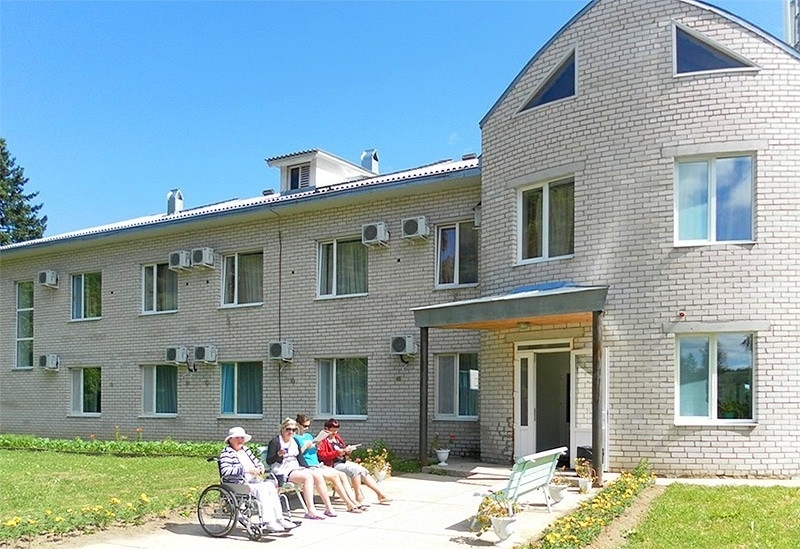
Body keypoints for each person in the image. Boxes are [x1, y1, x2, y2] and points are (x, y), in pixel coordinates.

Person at [218, 426, 298, 533]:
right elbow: (225, 471)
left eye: (242, 438)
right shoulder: (226, 453)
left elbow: (257, 462)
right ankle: (268, 522)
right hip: (238, 483)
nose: (240, 440)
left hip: (253, 480)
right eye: (237, 438)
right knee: (262, 490)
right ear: (230, 440)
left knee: (270, 486)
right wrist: (246, 470)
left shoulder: (245, 450)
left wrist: (260, 468)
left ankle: (279, 519)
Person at [266, 417, 338, 520]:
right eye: (288, 429)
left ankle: (328, 507)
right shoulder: (276, 441)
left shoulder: (294, 441)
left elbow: (300, 458)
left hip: (295, 467)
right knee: (307, 477)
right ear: (282, 429)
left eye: (293, 430)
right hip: (282, 469)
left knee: (317, 475)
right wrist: (278, 455)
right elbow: (269, 461)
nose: (291, 432)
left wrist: (308, 468)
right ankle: (311, 510)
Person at [293, 413, 365, 513]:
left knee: (342, 475)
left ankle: (354, 501)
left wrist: (317, 446)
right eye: (305, 426)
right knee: (334, 477)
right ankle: (349, 504)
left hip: (317, 464)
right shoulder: (295, 438)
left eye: (308, 426)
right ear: (298, 425)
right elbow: (295, 454)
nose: (307, 428)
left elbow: (315, 451)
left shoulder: (309, 436)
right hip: (308, 466)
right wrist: (305, 447)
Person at [316, 418, 391, 506]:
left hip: (342, 461)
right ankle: (358, 496)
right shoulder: (322, 440)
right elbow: (322, 455)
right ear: (326, 429)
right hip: (332, 464)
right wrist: (337, 452)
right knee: (354, 470)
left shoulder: (337, 438)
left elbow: (343, 449)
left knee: (362, 470)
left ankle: (380, 494)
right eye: (333, 431)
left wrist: (347, 451)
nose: (335, 433)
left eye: (336, 430)